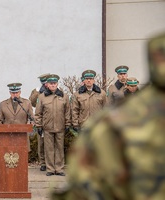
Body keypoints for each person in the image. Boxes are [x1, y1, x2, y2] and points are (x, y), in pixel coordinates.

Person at [51, 32, 165, 200]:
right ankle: (51, 168)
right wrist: (74, 124)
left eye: (125, 75)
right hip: (86, 125)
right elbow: (76, 110)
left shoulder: (103, 96)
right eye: (87, 80)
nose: (89, 82)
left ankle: (58, 167)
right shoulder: (109, 107)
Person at [35, 74, 71, 176]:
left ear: (57, 84)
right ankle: (50, 169)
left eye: (55, 83)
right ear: (47, 85)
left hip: (60, 126)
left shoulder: (64, 96)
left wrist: (68, 124)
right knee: (49, 148)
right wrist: (39, 126)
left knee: (59, 148)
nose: (53, 85)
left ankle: (59, 168)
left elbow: (67, 111)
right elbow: (38, 113)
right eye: (51, 83)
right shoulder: (42, 97)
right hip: (47, 127)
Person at [0, 83, 34, 151]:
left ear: (20, 92)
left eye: (17, 92)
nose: (15, 95)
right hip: (8, 136)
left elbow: (31, 118)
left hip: (22, 135)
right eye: (13, 93)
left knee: (22, 157)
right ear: (10, 92)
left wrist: (29, 124)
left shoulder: (27, 103)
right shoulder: (3, 104)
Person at [29, 73, 49, 171]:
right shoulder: (37, 91)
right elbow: (31, 103)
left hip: (52, 119)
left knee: (51, 143)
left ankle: (51, 162)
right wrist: (37, 92)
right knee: (41, 143)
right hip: (40, 119)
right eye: (43, 83)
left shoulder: (55, 90)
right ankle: (43, 162)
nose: (45, 84)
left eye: (46, 82)